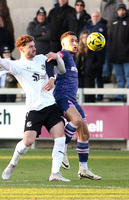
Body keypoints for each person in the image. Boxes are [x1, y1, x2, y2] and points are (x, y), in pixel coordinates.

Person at [0, 31, 70, 182]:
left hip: (50, 106)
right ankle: (13, 162)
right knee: (28, 142)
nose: (34, 48)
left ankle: (55, 173)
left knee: (60, 137)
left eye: (34, 45)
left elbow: (62, 70)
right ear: (22, 49)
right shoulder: (17, 66)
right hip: (34, 109)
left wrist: (56, 60)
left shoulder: (42, 59)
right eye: (30, 47)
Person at [53, 31, 101, 180]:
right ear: (63, 43)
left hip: (72, 99)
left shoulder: (72, 59)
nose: (75, 43)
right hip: (62, 96)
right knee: (77, 120)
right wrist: (54, 55)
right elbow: (56, 56)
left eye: (76, 40)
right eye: (71, 41)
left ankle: (83, 170)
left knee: (85, 133)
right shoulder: (64, 54)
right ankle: (62, 148)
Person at [82, 11, 107, 101]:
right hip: (89, 54)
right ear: (91, 17)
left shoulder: (103, 26)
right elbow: (82, 34)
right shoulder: (87, 26)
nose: (95, 18)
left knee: (99, 76)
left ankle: (100, 96)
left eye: (97, 16)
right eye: (93, 16)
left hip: (99, 54)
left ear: (100, 17)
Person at [108, 2, 129, 102]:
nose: (121, 12)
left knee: (128, 76)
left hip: (127, 56)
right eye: (119, 10)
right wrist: (111, 52)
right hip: (115, 56)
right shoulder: (113, 22)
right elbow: (110, 39)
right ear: (117, 11)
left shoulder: (128, 21)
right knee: (119, 78)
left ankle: (128, 96)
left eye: (123, 10)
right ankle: (120, 96)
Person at [76, 30, 105, 102]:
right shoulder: (78, 50)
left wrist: (91, 68)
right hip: (79, 76)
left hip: (90, 75)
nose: (85, 39)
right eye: (83, 37)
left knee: (89, 96)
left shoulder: (94, 49)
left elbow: (100, 62)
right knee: (80, 97)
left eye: (86, 37)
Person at [100, 0, 122, 83]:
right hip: (105, 31)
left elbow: (119, 14)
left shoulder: (118, 1)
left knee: (112, 54)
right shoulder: (103, 2)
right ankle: (106, 74)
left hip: (115, 31)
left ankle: (109, 74)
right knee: (106, 54)